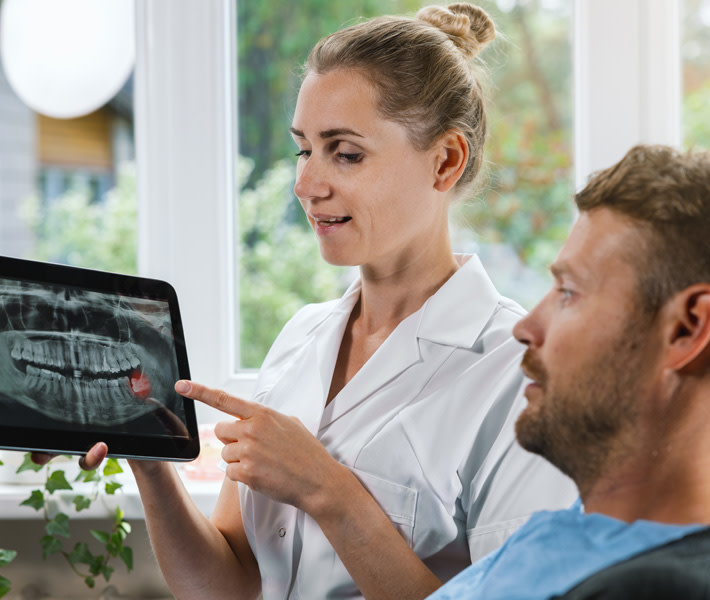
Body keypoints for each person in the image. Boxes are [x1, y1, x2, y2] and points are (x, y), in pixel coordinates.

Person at [36, 4, 575, 599]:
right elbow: (228, 586)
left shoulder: (517, 375)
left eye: (345, 153)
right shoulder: (302, 337)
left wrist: (330, 492)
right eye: (303, 149)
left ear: (445, 161)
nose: (306, 184)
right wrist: (150, 460)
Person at [427, 143, 710, 600]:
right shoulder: (579, 536)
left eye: (569, 292)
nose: (525, 326)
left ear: (686, 328)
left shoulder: (669, 589)